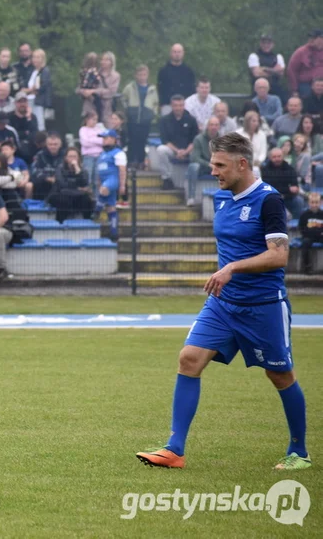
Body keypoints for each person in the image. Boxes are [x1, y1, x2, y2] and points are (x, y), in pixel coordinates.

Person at [137, 132, 309, 471]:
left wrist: (231, 268)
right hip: (223, 303)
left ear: (242, 164)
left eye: (220, 165)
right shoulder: (220, 198)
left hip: (263, 305)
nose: (213, 171)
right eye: (212, 164)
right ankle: (174, 450)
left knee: (280, 376)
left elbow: (279, 256)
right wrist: (226, 274)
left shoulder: (268, 200)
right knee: (189, 359)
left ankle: (298, 452)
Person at [152, 95, 199, 190]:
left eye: (180, 105)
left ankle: (193, 181)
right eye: (175, 105)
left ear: (184, 105)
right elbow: (165, 140)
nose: (178, 108)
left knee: (198, 151)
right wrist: (177, 151)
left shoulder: (191, 120)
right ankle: (167, 178)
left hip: (189, 150)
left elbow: (195, 140)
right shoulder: (164, 120)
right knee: (161, 150)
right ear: (171, 106)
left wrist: (185, 152)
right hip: (172, 150)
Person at [122, 64, 158, 168]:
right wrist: (127, 110)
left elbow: (155, 103)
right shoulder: (130, 87)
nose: (142, 77)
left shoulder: (152, 88)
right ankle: (131, 160)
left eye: (144, 74)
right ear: (136, 75)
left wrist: (153, 113)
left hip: (145, 118)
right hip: (133, 118)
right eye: (140, 74)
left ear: (147, 75)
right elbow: (123, 99)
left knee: (143, 140)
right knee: (132, 140)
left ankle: (141, 161)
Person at [94, 129, 128, 239]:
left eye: (106, 138)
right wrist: (99, 182)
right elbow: (99, 169)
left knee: (104, 190)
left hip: (113, 179)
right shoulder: (102, 153)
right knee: (110, 207)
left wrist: (122, 185)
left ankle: (97, 210)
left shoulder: (119, 153)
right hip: (104, 180)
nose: (103, 140)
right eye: (103, 138)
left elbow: (122, 170)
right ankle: (114, 232)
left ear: (114, 139)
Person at [47, 147, 92, 223]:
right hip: (59, 194)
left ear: (79, 158)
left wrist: (77, 170)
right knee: (64, 201)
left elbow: (84, 183)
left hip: (75, 195)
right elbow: (63, 184)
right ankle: (60, 223)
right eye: (70, 156)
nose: (72, 158)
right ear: (65, 158)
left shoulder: (82, 170)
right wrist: (77, 188)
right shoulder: (60, 169)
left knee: (87, 200)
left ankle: (87, 222)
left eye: (75, 156)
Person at [261, 148, 305, 220]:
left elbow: (295, 186)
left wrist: (284, 189)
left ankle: (297, 224)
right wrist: (288, 189)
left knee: (299, 200)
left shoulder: (289, 168)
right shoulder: (265, 170)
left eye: (279, 156)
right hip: (274, 199)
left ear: (283, 156)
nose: (277, 159)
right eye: (274, 157)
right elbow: (270, 188)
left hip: (288, 197)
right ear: (270, 158)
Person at [186, 117, 221, 206]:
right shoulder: (198, 139)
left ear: (219, 127)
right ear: (207, 126)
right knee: (193, 166)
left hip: (217, 167)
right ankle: (191, 197)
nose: (214, 127)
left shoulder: (223, 140)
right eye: (211, 125)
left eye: (216, 125)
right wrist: (209, 164)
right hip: (203, 167)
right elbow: (195, 158)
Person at [158, 43, 195, 115]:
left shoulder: (189, 71)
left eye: (179, 52)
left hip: (186, 105)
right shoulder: (163, 71)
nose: (177, 54)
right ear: (170, 53)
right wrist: (161, 104)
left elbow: (192, 89)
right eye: (174, 52)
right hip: (167, 105)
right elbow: (160, 89)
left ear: (183, 53)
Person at [21, 49, 52, 131]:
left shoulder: (45, 71)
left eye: (38, 57)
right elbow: (26, 86)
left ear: (42, 59)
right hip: (28, 99)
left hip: (38, 101)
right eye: (34, 57)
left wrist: (29, 90)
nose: (35, 59)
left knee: (39, 123)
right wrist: (30, 90)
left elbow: (41, 87)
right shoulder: (31, 71)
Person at [249, 34, 286, 99]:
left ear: (273, 44)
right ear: (260, 44)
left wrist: (264, 69)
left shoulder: (278, 56)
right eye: (264, 43)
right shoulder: (253, 56)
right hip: (258, 91)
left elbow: (281, 73)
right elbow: (257, 73)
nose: (266, 45)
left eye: (268, 43)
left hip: (275, 90)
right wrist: (274, 71)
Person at [287, 29, 323, 98]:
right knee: (306, 97)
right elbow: (291, 70)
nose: (311, 40)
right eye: (311, 37)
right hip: (306, 84)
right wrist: (294, 90)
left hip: (321, 83)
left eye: (314, 38)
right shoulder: (301, 52)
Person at [30, 132, 64, 202]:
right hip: (43, 183)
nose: (53, 146)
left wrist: (57, 178)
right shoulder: (39, 155)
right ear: (46, 145)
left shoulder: (66, 156)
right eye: (50, 144)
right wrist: (47, 178)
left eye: (55, 144)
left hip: (61, 183)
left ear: (60, 145)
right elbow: (34, 171)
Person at [297, 192, 322, 274]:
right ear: (308, 203)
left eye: (316, 202)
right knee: (305, 243)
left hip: (321, 236)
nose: (314, 205)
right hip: (309, 237)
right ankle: (307, 266)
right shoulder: (304, 215)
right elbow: (301, 228)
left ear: (320, 202)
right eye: (312, 202)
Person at [94, 51, 121, 124]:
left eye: (106, 60)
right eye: (102, 59)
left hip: (108, 109)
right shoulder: (95, 73)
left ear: (111, 62)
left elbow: (111, 92)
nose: (103, 62)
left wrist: (95, 91)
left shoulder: (116, 76)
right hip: (94, 106)